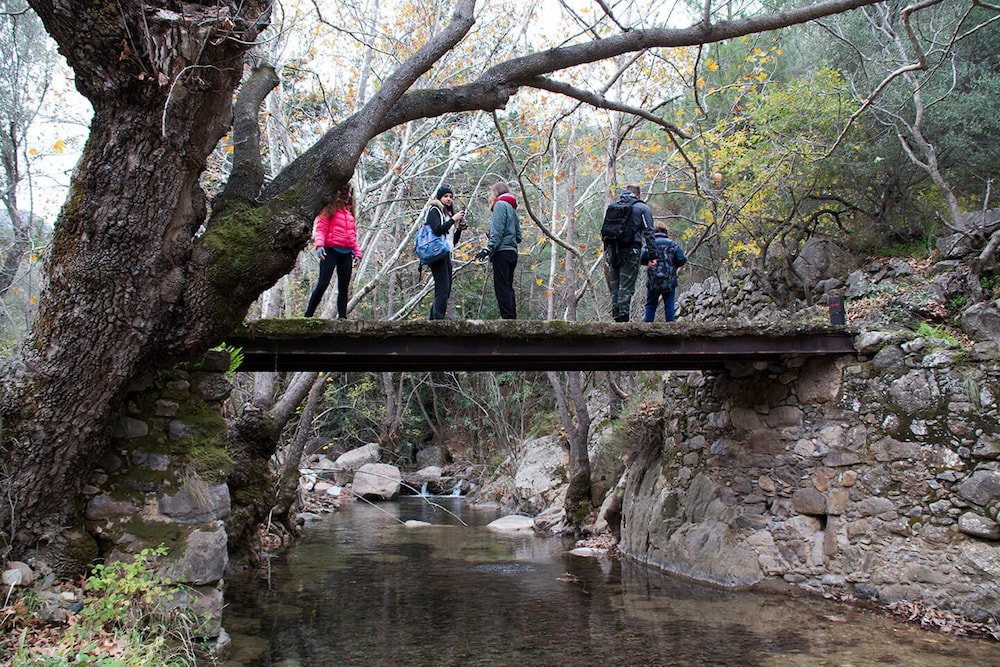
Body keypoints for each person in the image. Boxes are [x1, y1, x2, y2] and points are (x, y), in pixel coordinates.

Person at [304, 182, 362, 318]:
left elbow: (352, 236)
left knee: (344, 287)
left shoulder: (349, 214)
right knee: (323, 283)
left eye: (349, 193)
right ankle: (308, 316)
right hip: (330, 251)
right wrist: (319, 246)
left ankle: (342, 318)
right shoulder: (329, 209)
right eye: (345, 193)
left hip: (346, 254)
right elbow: (320, 229)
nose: (348, 196)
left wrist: (357, 253)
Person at [604, 184, 657, 322]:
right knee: (626, 287)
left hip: (613, 252)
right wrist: (653, 255)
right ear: (638, 195)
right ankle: (624, 321)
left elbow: (606, 232)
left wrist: (607, 255)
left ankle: (616, 319)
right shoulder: (642, 208)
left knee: (616, 288)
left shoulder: (614, 207)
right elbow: (649, 232)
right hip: (631, 251)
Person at [475, 181, 522, 319]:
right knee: (508, 287)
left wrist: (488, 248)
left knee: (501, 287)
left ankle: (507, 320)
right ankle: (511, 318)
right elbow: (518, 236)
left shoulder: (500, 205)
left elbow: (497, 232)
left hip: (501, 252)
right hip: (512, 252)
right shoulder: (512, 208)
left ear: (495, 192)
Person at [424, 185, 467, 320]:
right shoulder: (434, 210)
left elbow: (452, 241)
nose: (449, 199)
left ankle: (433, 319)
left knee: (446, 289)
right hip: (436, 254)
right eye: (445, 196)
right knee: (442, 288)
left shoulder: (447, 214)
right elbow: (437, 230)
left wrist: (459, 228)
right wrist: (453, 220)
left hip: (445, 253)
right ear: (439, 198)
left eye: (450, 196)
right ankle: (438, 320)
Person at [640, 221, 687, 322]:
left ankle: (647, 326)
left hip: (653, 280)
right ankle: (670, 326)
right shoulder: (672, 244)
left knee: (650, 304)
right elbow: (682, 260)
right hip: (669, 280)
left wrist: (648, 262)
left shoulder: (648, 244)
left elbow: (641, 258)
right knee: (669, 304)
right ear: (665, 231)